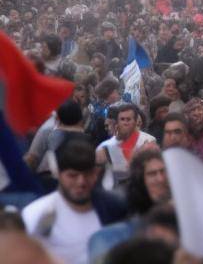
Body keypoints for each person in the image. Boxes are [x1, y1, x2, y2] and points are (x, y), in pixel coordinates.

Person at [22, 136, 126, 264]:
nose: (81, 182)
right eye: (72, 175)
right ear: (58, 174)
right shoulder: (36, 214)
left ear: (95, 173)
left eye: (87, 174)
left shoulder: (114, 208)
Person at [96, 104, 156, 188]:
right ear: (117, 122)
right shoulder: (106, 146)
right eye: (122, 119)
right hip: (115, 191)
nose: (125, 122)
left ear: (136, 121)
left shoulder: (149, 140)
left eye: (128, 119)